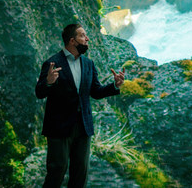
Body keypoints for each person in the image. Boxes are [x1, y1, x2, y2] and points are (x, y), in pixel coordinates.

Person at [35, 23, 125, 188]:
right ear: (72, 41)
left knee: (80, 172)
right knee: (57, 170)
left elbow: (96, 92)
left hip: (83, 126)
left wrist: (115, 86)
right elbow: (39, 92)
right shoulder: (52, 63)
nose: (87, 38)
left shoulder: (89, 64)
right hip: (59, 127)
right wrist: (48, 82)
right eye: (83, 36)